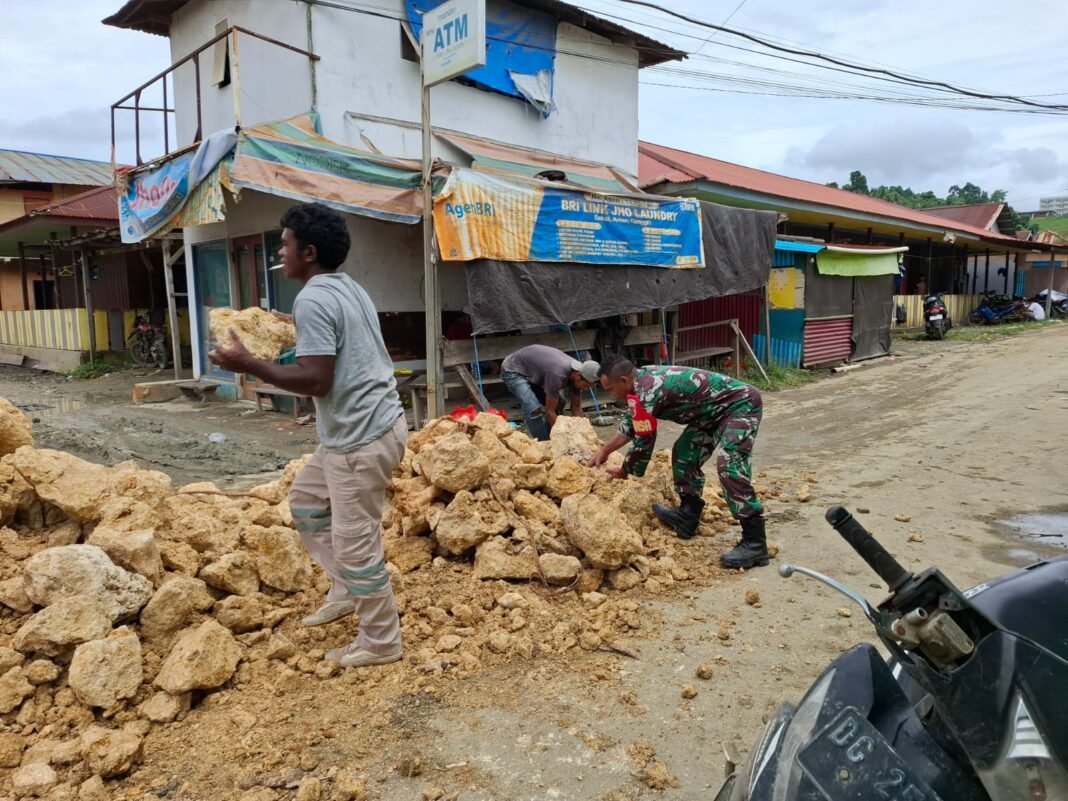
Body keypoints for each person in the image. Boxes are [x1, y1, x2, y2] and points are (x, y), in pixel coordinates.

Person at [209, 202, 407, 669]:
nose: (281, 251)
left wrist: (248, 364)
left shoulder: (314, 298)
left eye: (285, 244)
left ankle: (381, 640)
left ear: (309, 252)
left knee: (357, 540)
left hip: (359, 438)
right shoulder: (343, 287)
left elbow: (316, 380)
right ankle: (344, 588)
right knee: (305, 501)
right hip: (368, 428)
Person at [588, 356, 768, 570]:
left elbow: (644, 437)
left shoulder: (648, 389)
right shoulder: (639, 385)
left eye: (611, 389)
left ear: (624, 380)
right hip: (709, 414)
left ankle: (755, 541)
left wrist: (625, 470)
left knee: (729, 465)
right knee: (684, 452)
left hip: (740, 405)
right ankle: (688, 513)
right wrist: (604, 451)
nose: (611, 394)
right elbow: (632, 423)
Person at [500, 344, 599, 441]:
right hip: (513, 369)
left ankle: (551, 437)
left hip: (533, 370)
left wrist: (585, 435)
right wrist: (566, 438)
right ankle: (544, 444)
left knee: (560, 403)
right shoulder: (557, 374)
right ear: (578, 376)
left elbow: (576, 408)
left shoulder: (580, 372)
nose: (586, 389)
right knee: (533, 408)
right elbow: (549, 411)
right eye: (586, 386)